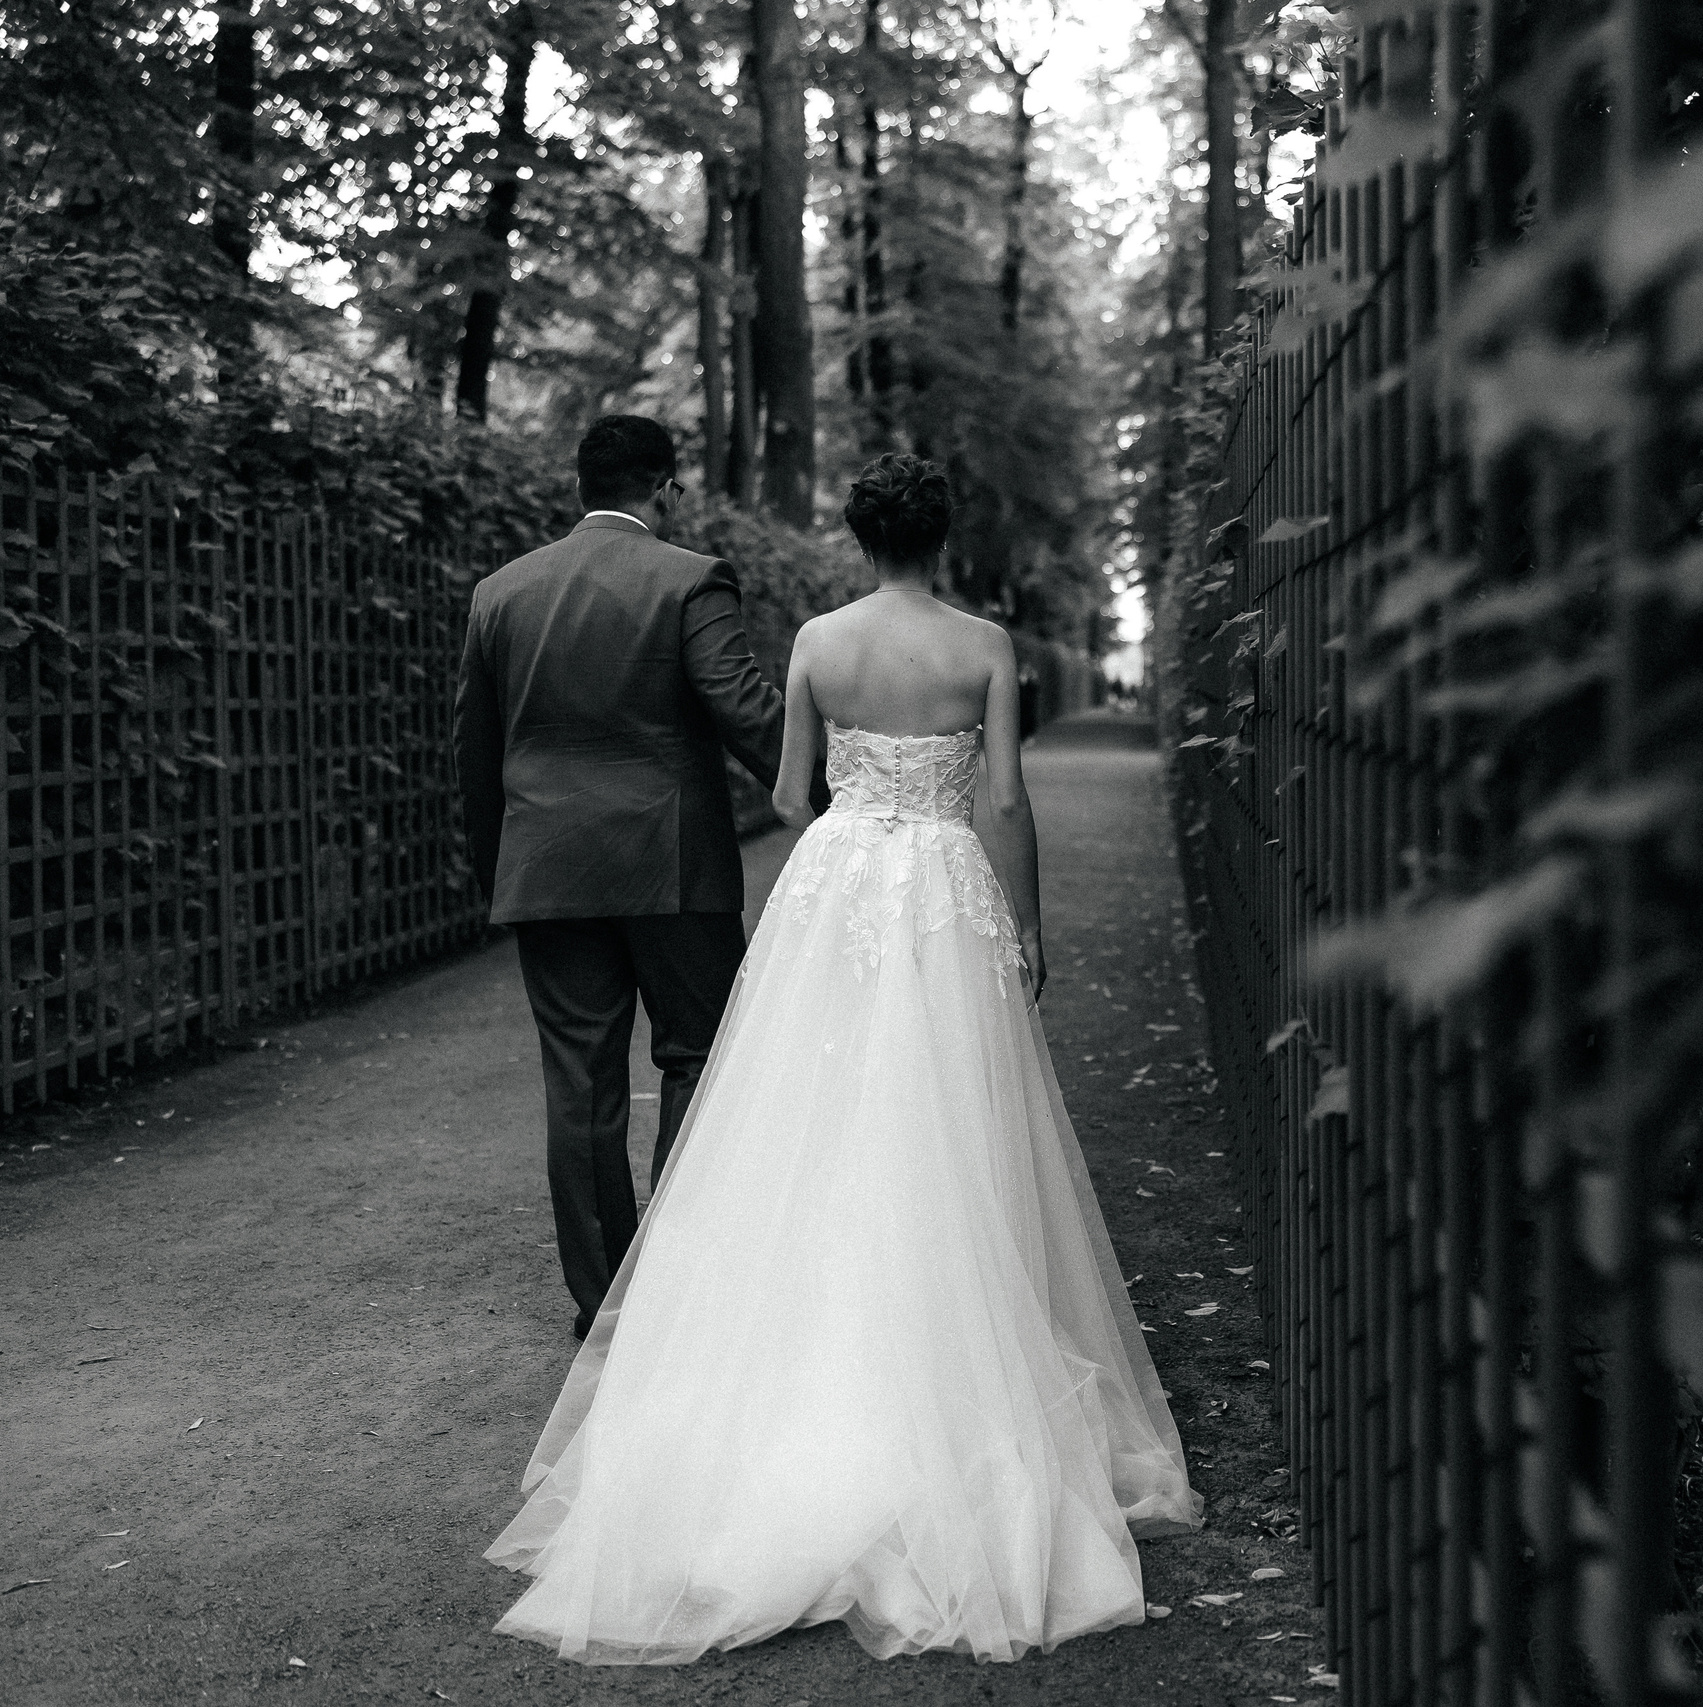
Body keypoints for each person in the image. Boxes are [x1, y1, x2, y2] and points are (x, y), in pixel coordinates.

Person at [484, 452, 1203, 1665]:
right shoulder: (984, 645)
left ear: (859, 535)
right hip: (940, 877)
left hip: (838, 881)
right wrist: (1025, 923)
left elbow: (785, 787)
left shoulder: (815, 636)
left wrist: (848, 817)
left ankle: (804, 1362)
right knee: (947, 1109)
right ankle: (951, 1339)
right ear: (944, 533)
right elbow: (1009, 801)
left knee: (814, 1106)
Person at [452, 415, 784, 1341]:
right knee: (700, 1058)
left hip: (548, 874)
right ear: (665, 489)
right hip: (674, 867)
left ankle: (605, 1305)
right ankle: (681, 1279)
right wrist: (846, 791)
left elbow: (476, 756)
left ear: (580, 490)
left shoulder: (500, 593)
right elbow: (742, 709)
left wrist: (503, 876)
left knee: (580, 1082)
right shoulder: (691, 579)